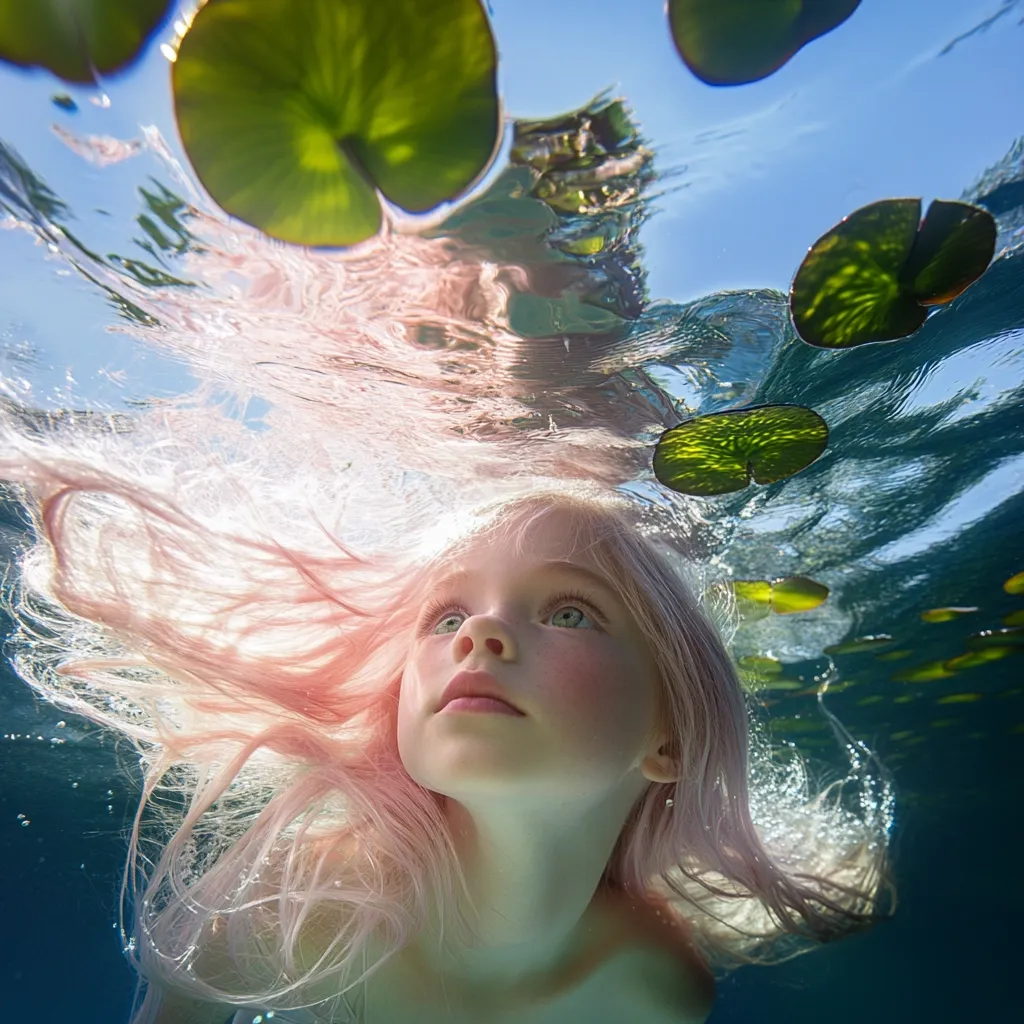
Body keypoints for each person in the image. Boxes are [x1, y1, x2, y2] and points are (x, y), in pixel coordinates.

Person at [0, 417, 895, 1023]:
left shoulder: (655, 988)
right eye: (445, 617)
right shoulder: (292, 913)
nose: (482, 634)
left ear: (670, 737)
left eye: (571, 611)